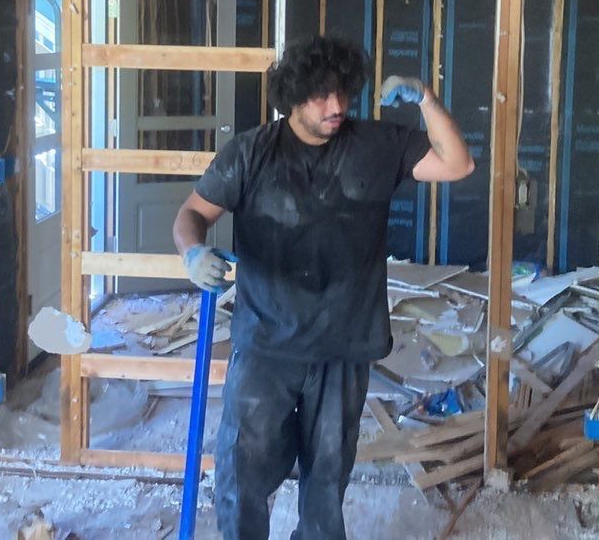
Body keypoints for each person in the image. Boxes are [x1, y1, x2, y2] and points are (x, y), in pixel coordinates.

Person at [172, 35, 475, 539]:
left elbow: (458, 163)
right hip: (267, 340)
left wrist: (425, 97)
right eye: (321, 97)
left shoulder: (378, 145)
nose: (336, 107)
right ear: (293, 96)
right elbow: (192, 215)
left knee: (328, 473)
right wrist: (191, 253)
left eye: (342, 94)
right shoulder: (251, 153)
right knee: (244, 463)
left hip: (344, 343)